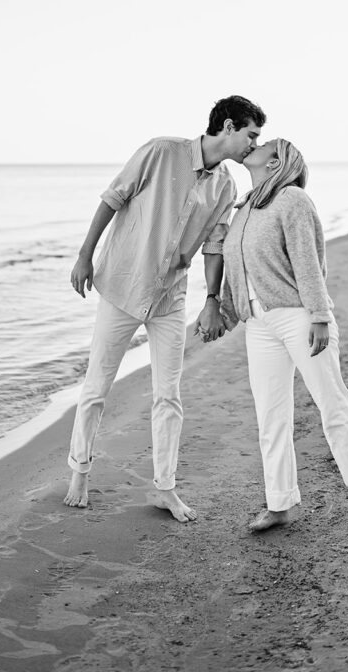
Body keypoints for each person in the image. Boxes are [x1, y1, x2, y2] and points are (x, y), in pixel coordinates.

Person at [64, 95, 266, 523]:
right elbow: (113, 198)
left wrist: (211, 300)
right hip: (123, 285)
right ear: (228, 127)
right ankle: (79, 471)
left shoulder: (226, 185)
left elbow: (214, 248)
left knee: (169, 396)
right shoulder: (160, 151)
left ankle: (165, 489)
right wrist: (85, 255)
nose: (253, 144)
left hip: (169, 299)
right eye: (251, 134)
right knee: (97, 386)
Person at [209, 138, 348, 531]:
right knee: (271, 416)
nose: (252, 145)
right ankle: (280, 503)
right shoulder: (244, 208)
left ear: (275, 162)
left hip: (300, 317)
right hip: (259, 324)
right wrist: (225, 312)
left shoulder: (292, 200)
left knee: (331, 402)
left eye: (262, 145)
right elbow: (240, 271)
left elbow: (308, 261)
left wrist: (320, 316)